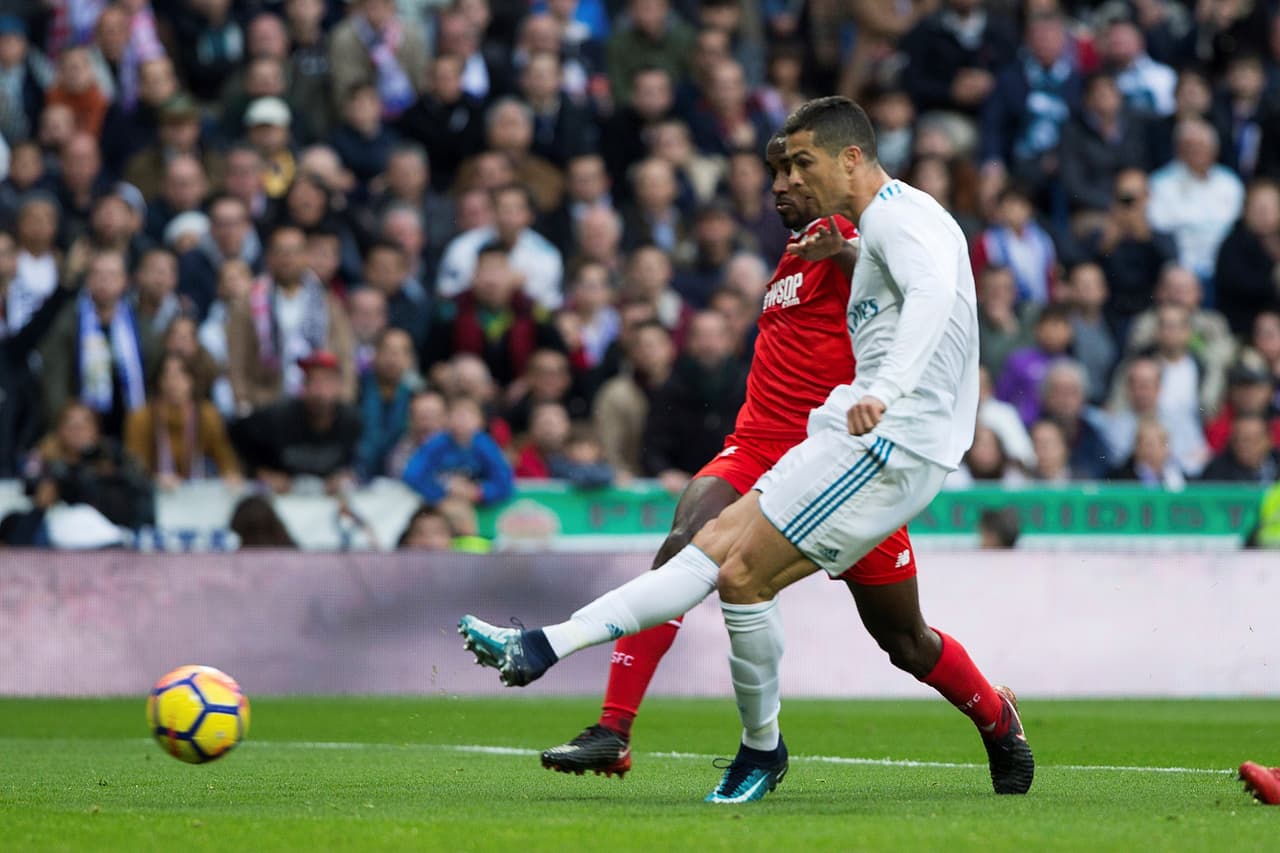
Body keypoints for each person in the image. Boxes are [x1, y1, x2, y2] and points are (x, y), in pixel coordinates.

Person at [469, 105, 1031, 802]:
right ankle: (615, 721)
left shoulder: (872, 230)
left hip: (850, 461)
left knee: (902, 638)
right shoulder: (799, 253)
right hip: (765, 450)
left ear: (845, 162)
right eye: (776, 172)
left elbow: (914, 284)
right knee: (694, 545)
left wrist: (880, 372)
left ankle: (993, 716)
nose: (783, 185)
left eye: (797, 168)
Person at [227, 350, 362, 494]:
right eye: (312, 381)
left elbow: (360, 464)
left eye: (326, 381)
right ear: (303, 386)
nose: (319, 390)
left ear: (339, 385)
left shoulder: (351, 421)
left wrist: (346, 476)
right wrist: (263, 473)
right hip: (282, 497)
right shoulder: (279, 416)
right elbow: (236, 432)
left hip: (327, 498)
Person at [123, 353, 242, 489]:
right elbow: (134, 466)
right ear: (159, 381)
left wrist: (230, 474)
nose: (173, 383)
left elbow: (224, 456)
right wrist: (154, 480)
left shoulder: (207, 414)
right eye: (167, 376)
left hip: (195, 490)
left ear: (192, 380)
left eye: (181, 376)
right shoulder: (140, 418)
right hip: (154, 492)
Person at [401, 395, 514, 507]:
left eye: (468, 415)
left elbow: (504, 479)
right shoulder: (436, 444)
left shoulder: (485, 445)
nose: (462, 421)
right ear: (446, 419)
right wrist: (442, 493)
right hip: (442, 501)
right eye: (457, 415)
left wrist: (479, 492)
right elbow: (412, 475)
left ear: (480, 421)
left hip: (479, 502)